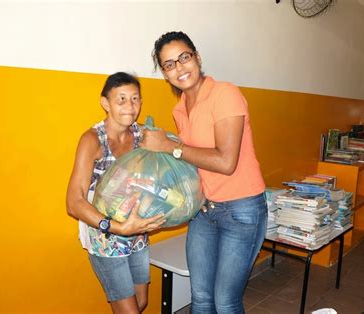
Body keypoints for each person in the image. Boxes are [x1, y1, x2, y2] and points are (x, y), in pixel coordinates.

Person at [141, 31, 267, 314]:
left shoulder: (225, 93)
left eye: (183, 57)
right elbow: (191, 157)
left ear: (197, 57)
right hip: (204, 210)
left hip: (241, 209)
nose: (179, 68)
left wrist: (170, 148)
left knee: (225, 302)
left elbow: (225, 162)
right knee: (200, 297)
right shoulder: (179, 108)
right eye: (169, 64)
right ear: (165, 73)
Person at [66, 72, 165, 314]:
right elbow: (73, 202)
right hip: (105, 237)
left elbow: (158, 175)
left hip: (137, 230)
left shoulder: (143, 137)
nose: (130, 107)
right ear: (105, 103)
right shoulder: (93, 140)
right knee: (129, 311)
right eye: (121, 99)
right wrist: (118, 228)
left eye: (135, 99)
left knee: (140, 303)